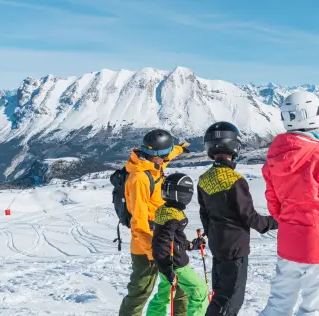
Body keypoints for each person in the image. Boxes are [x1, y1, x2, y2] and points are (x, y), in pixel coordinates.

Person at [259, 91, 319, 316]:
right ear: (314, 116)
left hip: (289, 243)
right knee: (315, 309)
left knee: (278, 304)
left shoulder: (274, 157)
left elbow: (274, 204)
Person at [197, 121, 279, 316]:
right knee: (231, 299)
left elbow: (204, 214)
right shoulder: (235, 180)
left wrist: (212, 235)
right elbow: (249, 216)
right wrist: (277, 221)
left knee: (220, 295)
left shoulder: (203, 179)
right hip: (235, 248)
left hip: (217, 246)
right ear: (234, 147)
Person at [118, 129, 191, 316]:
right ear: (155, 155)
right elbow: (138, 223)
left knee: (181, 286)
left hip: (165, 237)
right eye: (164, 155)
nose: (167, 158)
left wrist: (179, 149)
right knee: (140, 292)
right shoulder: (139, 179)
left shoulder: (153, 163)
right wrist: (154, 253)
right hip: (146, 246)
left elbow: (168, 156)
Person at [147, 172, 209, 316]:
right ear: (182, 195)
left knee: (163, 295)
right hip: (176, 265)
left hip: (166, 264)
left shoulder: (165, 211)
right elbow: (161, 245)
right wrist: (168, 269)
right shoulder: (173, 217)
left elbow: (175, 240)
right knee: (199, 290)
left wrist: (192, 245)